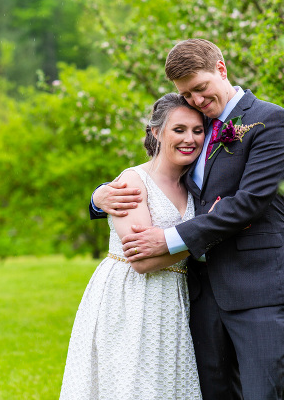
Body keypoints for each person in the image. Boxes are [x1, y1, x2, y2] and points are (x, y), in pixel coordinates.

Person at [91, 39, 284, 400]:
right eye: (186, 94)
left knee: (260, 394)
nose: (195, 100)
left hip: (259, 286)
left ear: (221, 69)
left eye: (200, 88)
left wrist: (169, 239)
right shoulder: (197, 126)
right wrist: (99, 197)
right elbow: (160, 176)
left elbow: (250, 201)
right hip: (201, 294)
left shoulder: (270, 120)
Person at [60, 93, 205, 400]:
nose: (189, 139)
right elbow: (141, 261)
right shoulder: (133, 182)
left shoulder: (194, 184)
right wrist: (206, 237)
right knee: (131, 387)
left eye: (197, 130)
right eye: (179, 129)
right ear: (156, 132)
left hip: (174, 298)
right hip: (131, 298)